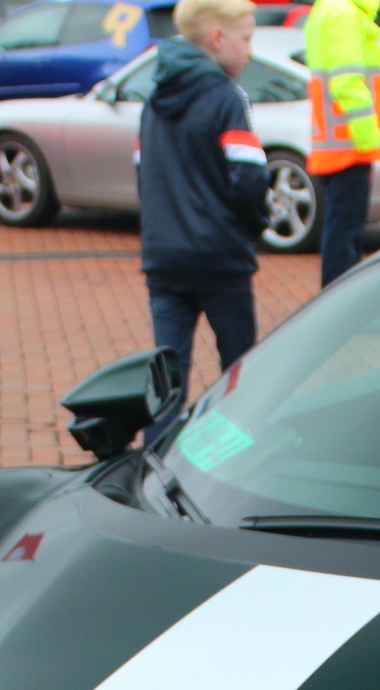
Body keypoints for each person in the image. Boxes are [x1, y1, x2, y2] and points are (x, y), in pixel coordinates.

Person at [139, 0, 270, 435]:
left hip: (164, 257)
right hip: (220, 257)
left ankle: (157, 469)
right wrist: (252, 228)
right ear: (217, 39)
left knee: (166, 381)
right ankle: (230, 465)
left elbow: (145, 176)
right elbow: (250, 180)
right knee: (240, 375)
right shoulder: (226, 99)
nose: (250, 51)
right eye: (246, 38)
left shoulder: (152, 101)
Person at [303, 0, 380, 286]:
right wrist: (368, 139)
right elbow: (347, 81)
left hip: (335, 142)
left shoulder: (328, 10)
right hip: (350, 144)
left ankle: (340, 303)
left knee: (342, 228)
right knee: (346, 232)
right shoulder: (345, 14)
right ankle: (341, 307)